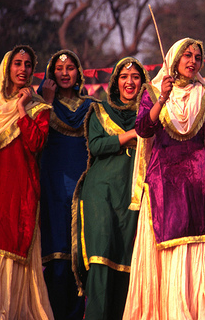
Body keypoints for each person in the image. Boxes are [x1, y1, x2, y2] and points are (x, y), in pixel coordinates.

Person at [123, 38, 205, 319]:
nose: (192, 61)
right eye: (187, 55)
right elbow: (143, 128)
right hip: (162, 183)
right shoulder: (154, 91)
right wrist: (163, 97)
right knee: (168, 245)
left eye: (197, 57)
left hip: (199, 183)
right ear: (174, 59)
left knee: (199, 245)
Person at [72, 57, 149, 319]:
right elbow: (96, 146)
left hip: (135, 195)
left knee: (129, 262)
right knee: (101, 258)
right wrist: (129, 136)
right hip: (101, 193)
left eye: (136, 77)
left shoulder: (150, 114)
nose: (130, 82)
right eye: (124, 76)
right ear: (115, 81)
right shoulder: (99, 110)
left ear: (143, 82)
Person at [0, 45, 54, 319]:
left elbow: (37, 142)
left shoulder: (38, 107)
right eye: (18, 63)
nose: (23, 69)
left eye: (28, 64)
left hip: (20, 189)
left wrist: (21, 109)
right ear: (7, 67)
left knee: (12, 242)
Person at [37, 49, 96, 319]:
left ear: (79, 73)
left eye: (70, 68)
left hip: (85, 188)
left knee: (81, 258)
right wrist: (45, 102)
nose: (64, 73)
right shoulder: (40, 102)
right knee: (57, 256)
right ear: (51, 73)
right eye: (59, 68)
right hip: (51, 188)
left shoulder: (92, 107)